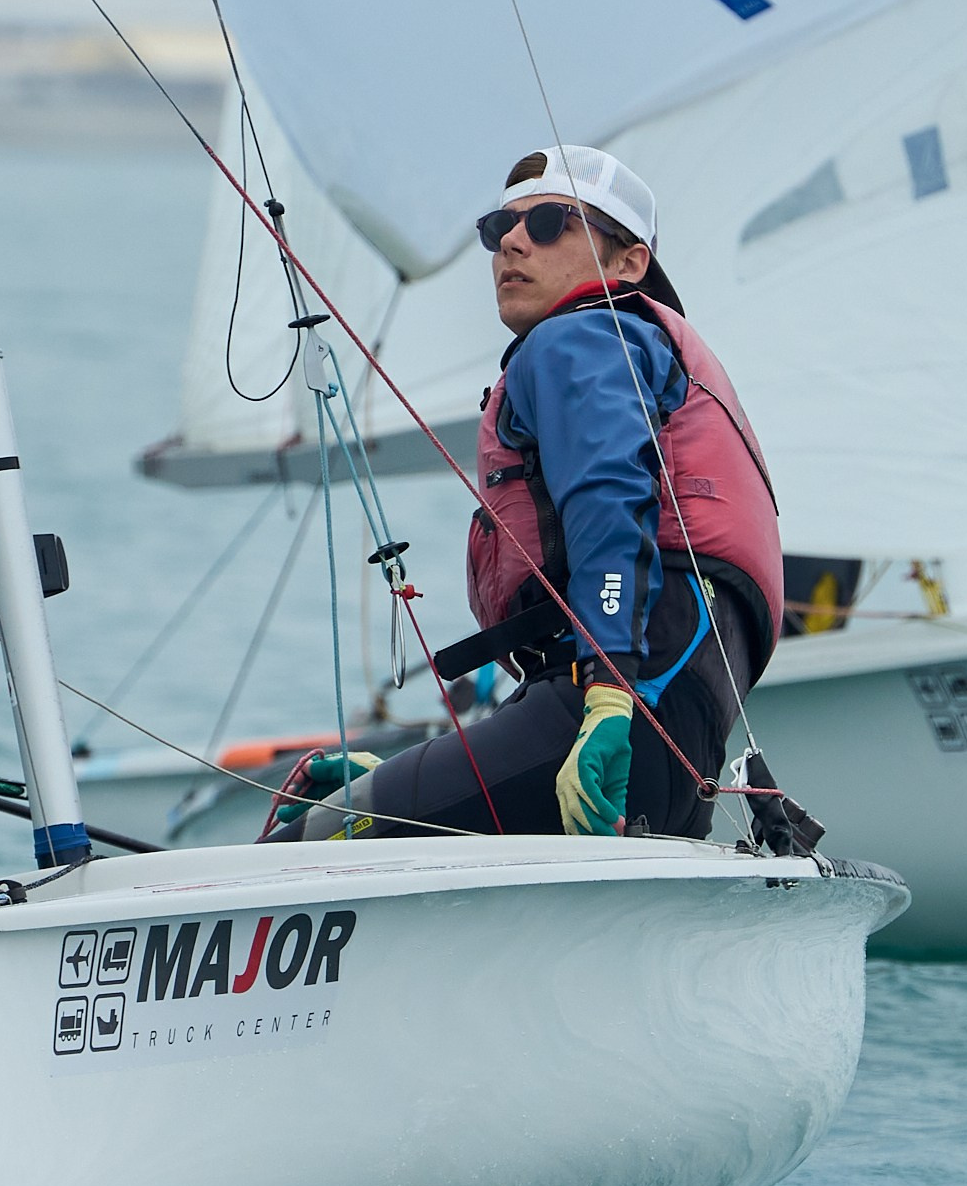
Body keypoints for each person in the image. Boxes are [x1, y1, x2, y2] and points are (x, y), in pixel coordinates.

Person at [273, 145, 783, 841]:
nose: (512, 241)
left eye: (551, 223)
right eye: (499, 228)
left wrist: (605, 703)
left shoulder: (580, 338)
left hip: (608, 732)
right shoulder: (636, 352)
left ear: (629, 263)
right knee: (366, 804)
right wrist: (403, 770)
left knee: (304, 840)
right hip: (666, 756)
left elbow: (611, 504)